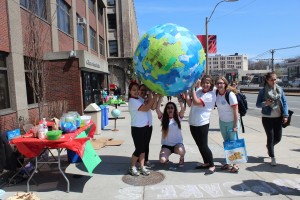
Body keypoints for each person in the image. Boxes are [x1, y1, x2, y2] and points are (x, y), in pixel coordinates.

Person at [185, 75, 216, 175]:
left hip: (202, 123)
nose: (205, 84)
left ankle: (212, 165)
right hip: (193, 122)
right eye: (204, 82)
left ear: (211, 84)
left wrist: (193, 89)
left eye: (207, 83)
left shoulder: (210, 95)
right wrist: (186, 94)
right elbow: (190, 103)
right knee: (199, 145)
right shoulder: (199, 90)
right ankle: (206, 162)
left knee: (204, 145)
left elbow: (196, 102)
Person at [256, 72, 288, 166]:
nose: (274, 81)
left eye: (275, 79)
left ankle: (269, 147)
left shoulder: (280, 89)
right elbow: (258, 104)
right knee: (270, 137)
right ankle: (272, 157)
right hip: (267, 117)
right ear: (267, 80)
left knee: (278, 138)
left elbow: (285, 103)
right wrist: (265, 103)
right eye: (271, 79)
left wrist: (285, 115)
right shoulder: (262, 91)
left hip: (278, 117)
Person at [128, 82, 158, 176]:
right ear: (130, 91)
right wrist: (155, 97)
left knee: (143, 149)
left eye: (137, 90)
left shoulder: (139, 99)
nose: (136, 92)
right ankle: (132, 166)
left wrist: (152, 96)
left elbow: (151, 106)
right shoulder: (132, 101)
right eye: (134, 90)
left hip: (144, 127)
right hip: (137, 128)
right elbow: (146, 108)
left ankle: (141, 167)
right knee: (139, 149)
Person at [215, 76, 240, 173]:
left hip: (231, 122)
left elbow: (235, 111)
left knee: (233, 143)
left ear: (225, 84)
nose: (219, 85)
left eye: (221, 83)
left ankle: (236, 164)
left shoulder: (230, 95)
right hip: (222, 121)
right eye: (218, 83)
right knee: (226, 142)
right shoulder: (216, 93)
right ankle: (229, 161)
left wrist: (235, 125)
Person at [155, 95, 186, 167]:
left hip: (177, 145)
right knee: (162, 160)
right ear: (166, 110)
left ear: (174, 109)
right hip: (166, 146)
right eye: (168, 108)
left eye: (172, 108)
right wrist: (160, 97)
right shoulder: (163, 118)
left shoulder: (178, 117)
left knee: (181, 151)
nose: (170, 109)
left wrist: (179, 98)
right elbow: (157, 109)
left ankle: (182, 158)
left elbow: (183, 108)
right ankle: (166, 157)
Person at [138, 84, 157, 168]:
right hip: (140, 126)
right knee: (141, 144)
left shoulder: (146, 99)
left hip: (148, 125)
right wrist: (152, 97)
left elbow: (153, 107)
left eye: (145, 90)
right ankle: (141, 160)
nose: (143, 92)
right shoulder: (137, 100)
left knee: (146, 144)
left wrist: (152, 95)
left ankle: (145, 160)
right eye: (141, 90)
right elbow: (147, 107)